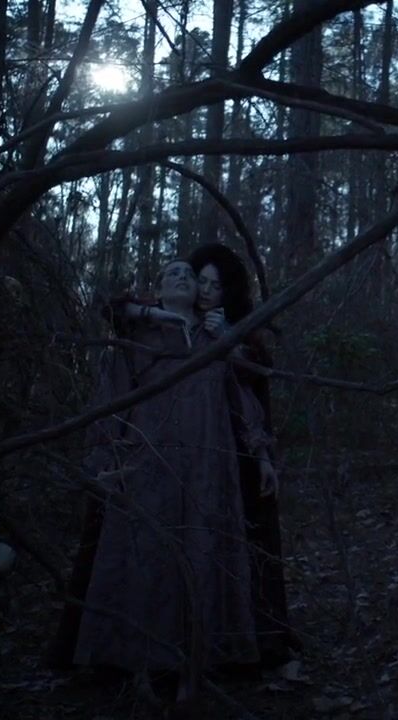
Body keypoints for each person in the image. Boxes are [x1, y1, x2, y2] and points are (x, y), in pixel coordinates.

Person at [47, 247, 298, 690]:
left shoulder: (214, 339)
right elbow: (109, 399)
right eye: (174, 273)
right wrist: (103, 462)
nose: (185, 279)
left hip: (208, 465)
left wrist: (262, 456)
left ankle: (201, 657)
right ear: (158, 289)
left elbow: (244, 399)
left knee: (203, 551)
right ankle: (136, 658)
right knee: (146, 551)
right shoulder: (137, 335)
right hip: (148, 461)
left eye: (192, 276)